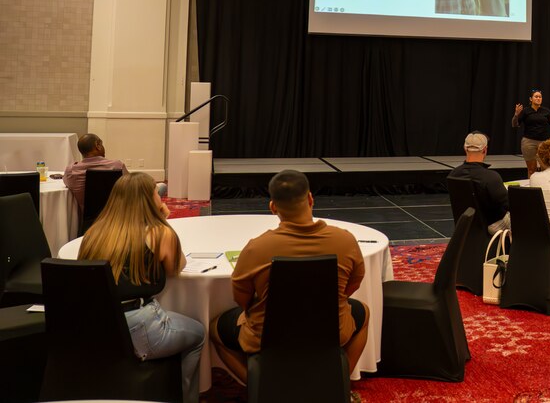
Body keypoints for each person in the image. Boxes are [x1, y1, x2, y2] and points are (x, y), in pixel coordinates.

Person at [210, 170, 368, 386]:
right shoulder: (345, 240)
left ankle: (264, 388)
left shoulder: (257, 248)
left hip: (267, 336)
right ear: (311, 198)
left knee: (214, 330)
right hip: (331, 330)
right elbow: (354, 284)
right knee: (364, 312)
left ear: (273, 207)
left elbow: (241, 298)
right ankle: (334, 385)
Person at [78, 172, 204, 403]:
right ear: (149, 199)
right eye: (157, 193)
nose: (160, 196)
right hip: (140, 329)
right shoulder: (159, 233)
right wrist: (164, 221)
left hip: (95, 326)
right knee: (198, 333)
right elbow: (177, 267)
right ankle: (186, 397)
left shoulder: (94, 233)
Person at [446, 131, 510, 234]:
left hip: (465, 224)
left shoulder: (453, 174)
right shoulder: (490, 177)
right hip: (491, 225)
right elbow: (509, 204)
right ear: (485, 150)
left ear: (465, 148)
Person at [63, 133, 129, 211]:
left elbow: (67, 183)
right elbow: (131, 187)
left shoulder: (71, 170)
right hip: (116, 217)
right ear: (98, 145)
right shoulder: (117, 165)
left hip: (88, 221)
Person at [512, 89, 550, 177]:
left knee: (546, 169)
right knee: (532, 169)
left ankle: (545, 189)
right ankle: (532, 189)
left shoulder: (546, 111)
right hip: (529, 142)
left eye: (540, 97)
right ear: (531, 99)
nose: (538, 98)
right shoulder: (526, 111)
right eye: (536, 96)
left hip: (544, 143)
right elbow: (515, 124)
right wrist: (516, 114)